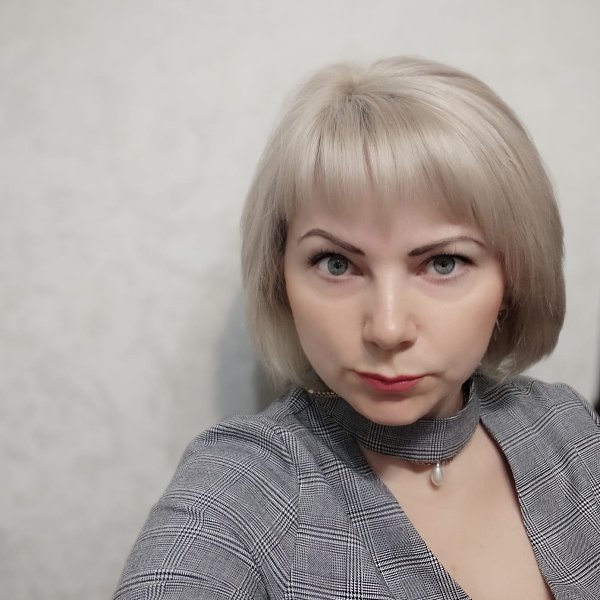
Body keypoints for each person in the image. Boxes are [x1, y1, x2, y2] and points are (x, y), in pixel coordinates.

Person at [113, 57, 600, 600]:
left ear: (514, 277)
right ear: (280, 277)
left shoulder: (568, 428)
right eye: (337, 263)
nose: (387, 330)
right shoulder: (242, 488)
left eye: (443, 263)